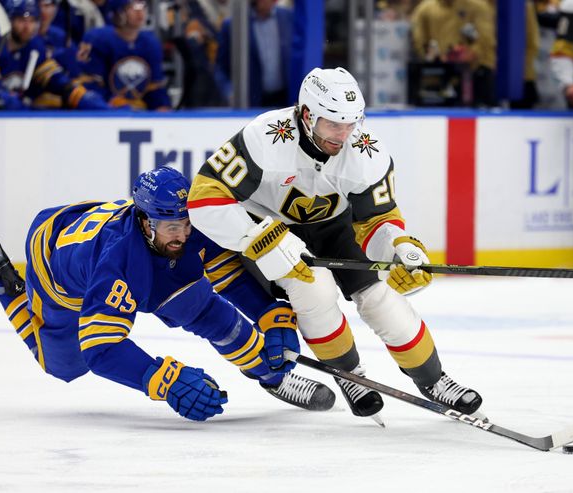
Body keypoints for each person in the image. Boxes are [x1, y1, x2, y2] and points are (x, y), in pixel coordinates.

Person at [187, 67, 482, 424]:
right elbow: (204, 198)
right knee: (316, 293)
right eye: (334, 124)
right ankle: (351, 375)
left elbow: (376, 219)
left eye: (351, 124)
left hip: (334, 226)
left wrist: (398, 249)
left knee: (381, 299)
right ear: (307, 114)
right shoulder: (263, 137)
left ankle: (434, 380)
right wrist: (255, 239)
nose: (344, 135)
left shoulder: (366, 150)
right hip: (270, 230)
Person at [0, 167, 335, 421]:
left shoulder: (190, 227)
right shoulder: (116, 265)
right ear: (147, 222)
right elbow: (99, 349)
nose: (182, 234)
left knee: (208, 313)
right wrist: (162, 379)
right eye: (171, 226)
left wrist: (270, 314)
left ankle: (271, 375)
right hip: (56, 265)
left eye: (185, 222)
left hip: (110, 238)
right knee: (63, 366)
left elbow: (227, 275)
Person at [0, 0, 107, 109]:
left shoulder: (34, 45)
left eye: (32, 21)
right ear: (9, 20)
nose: (28, 27)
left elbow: (57, 80)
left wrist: (83, 96)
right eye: (21, 20)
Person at [77, 0, 171, 110]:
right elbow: (90, 86)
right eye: (133, 7)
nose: (139, 12)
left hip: (139, 111)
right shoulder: (97, 39)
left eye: (142, 7)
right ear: (118, 12)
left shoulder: (151, 43)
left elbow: (155, 87)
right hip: (105, 111)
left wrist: (162, 106)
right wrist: (110, 103)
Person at [410, 0, 496, 107]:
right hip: (439, 76)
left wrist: (470, 53)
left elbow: (486, 39)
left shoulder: (478, 7)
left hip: (476, 74)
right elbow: (419, 41)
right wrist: (435, 57)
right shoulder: (424, 9)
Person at [215, 0, 293, 107]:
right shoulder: (234, 25)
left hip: (285, 100)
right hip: (251, 103)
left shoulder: (288, 17)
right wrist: (230, 92)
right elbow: (220, 68)